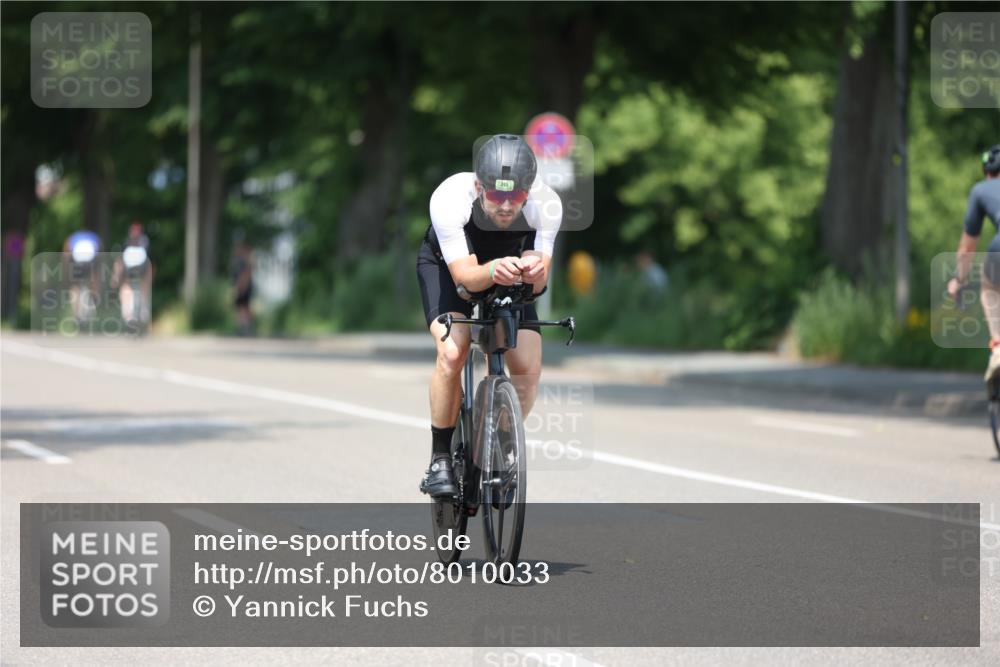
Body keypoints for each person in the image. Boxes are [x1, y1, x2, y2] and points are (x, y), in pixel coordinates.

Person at [416, 134, 562, 497]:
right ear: (480, 186)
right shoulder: (451, 197)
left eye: (517, 196)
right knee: (453, 352)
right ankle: (440, 458)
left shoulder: (546, 203)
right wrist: (495, 269)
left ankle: (500, 447)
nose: (507, 206)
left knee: (527, 366)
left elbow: (539, 283)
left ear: (529, 191)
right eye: (497, 195)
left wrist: (534, 272)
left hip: (509, 272)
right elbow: (466, 278)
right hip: (449, 268)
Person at [947, 145, 1000, 380]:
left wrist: (959, 280)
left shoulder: (981, 190)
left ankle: (998, 348)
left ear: (988, 172)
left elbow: (967, 248)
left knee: (990, 289)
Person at [113, 222, 153, 328]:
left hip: (138, 271)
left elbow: (120, 262)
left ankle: (135, 315)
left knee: (130, 289)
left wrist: (116, 277)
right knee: (128, 289)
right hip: (133, 271)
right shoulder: (132, 243)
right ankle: (136, 315)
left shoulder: (140, 244)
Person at [63, 229, 101, 323]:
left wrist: (67, 271)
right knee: (93, 280)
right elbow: (100, 254)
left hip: (77, 259)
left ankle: (76, 315)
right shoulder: (94, 237)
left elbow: (66, 253)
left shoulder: (74, 237)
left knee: (75, 286)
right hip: (90, 259)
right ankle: (94, 297)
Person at [232, 236, 255, 336]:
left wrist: (242, 286)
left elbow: (247, 273)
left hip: (244, 286)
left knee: (243, 307)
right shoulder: (240, 259)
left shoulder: (244, 259)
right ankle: (243, 327)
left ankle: (245, 328)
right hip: (242, 286)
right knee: (241, 307)